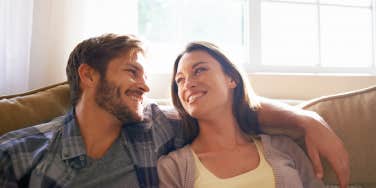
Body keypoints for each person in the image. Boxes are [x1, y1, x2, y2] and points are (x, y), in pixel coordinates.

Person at [0, 34, 348, 188]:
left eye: (146, 76)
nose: (145, 86)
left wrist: (305, 118)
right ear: (88, 76)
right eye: (132, 72)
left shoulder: (156, 125)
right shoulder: (21, 152)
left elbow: (230, 112)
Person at [157, 41, 323, 187]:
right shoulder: (173, 167)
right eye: (180, 79)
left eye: (199, 70)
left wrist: (309, 120)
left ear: (232, 79)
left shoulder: (284, 148)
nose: (188, 84)